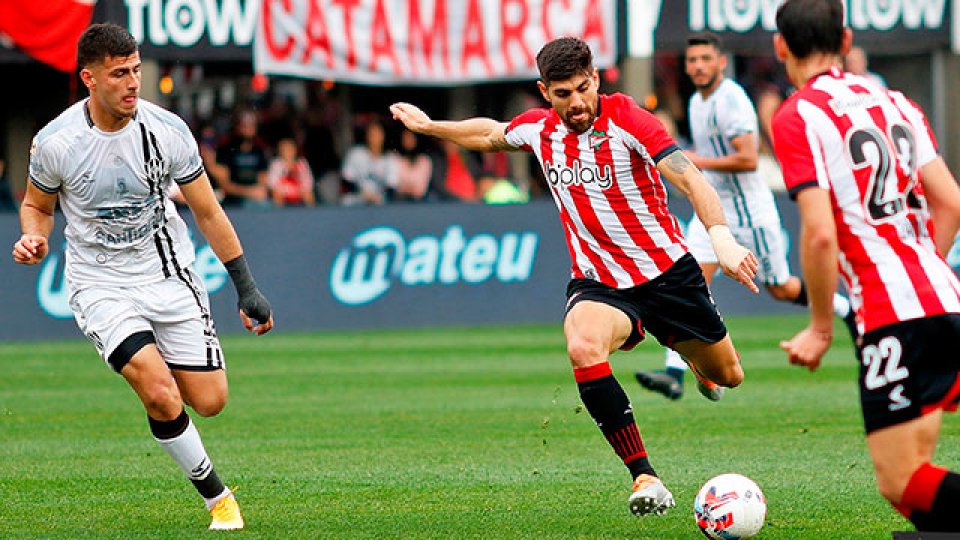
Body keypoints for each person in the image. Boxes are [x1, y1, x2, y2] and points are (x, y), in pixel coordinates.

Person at [391, 36, 759, 517]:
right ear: (545, 92)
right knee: (583, 345)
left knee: (728, 376)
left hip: (667, 274)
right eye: (563, 94)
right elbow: (490, 133)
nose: (577, 102)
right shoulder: (540, 129)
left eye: (583, 89)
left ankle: (697, 364)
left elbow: (691, 179)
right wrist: (430, 126)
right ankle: (644, 476)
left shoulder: (630, 120)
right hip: (599, 282)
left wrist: (722, 241)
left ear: (596, 79)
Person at [11, 23, 274, 531]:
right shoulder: (56, 142)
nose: (133, 83)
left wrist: (246, 287)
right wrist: (34, 237)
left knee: (210, 401)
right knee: (158, 391)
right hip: (99, 281)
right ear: (89, 78)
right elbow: (37, 206)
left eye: (135, 70)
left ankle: (163, 381)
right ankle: (218, 499)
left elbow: (208, 212)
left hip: (167, 272)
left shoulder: (167, 130)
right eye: (119, 74)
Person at [772, 0, 960, 532]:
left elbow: (820, 232)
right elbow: (951, 203)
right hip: (945, 295)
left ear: (781, 46)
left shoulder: (797, 116)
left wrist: (820, 328)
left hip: (891, 315)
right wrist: (921, 272)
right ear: (847, 40)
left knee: (901, 479)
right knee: (916, 482)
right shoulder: (896, 102)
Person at [635, 32, 853, 401]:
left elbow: (749, 158)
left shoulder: (732, 100)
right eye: (693, 60)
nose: (699, 66)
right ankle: (678, 374)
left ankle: (848, 310)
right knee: (688, 283)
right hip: (714, 210)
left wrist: (695, 161)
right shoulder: (697, 103)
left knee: (780, 287)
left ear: (721, 63)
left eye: (706, 59)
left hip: (749, 212)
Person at [214, 110, 271, 208]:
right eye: (245, 125)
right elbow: (224, 185)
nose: (248, 128)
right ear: (237, 126)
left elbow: (263, 181)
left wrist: (258, 192)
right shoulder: (226, 150)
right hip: (233, 201)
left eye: (251, 125)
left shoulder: (259, 151)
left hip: (256, 200)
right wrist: (248, 192)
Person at [340, 118, 400, 205]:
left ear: (383, 135)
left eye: (377, 133)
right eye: (372, 133)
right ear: (367, 135)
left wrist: (376, 196)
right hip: (355, 203)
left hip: (381, 204)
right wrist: (362, 193)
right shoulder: (355, 154)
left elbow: (391, 187)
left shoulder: (390, 158)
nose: (374, 137)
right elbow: (346, 182)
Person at [266, 137, 316, 207]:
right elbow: (272, 181)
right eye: (285, 149)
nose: (288, 151)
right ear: (280, 151)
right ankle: (278, 211)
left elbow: (308, 180)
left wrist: (302, 189)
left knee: (308, 193)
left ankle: (311, 211)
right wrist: (283, 189)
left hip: (299, 190)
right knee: (276, 193)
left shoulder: (302, 162)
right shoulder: (276, 164)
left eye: (290, 148)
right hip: (283, 191)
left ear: (295, 150)